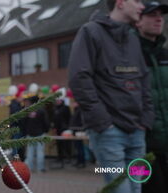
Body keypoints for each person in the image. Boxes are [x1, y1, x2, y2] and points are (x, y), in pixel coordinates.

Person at [68, 0, 154, 193]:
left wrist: (145, 121)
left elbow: (144, 80)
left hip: (137, 133)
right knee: (120, 189)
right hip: (109, 134)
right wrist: (104, 123)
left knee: (136, 188)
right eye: (138, 1)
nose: (142, 7)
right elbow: (79, 78)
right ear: (121, 3)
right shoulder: (90, 32)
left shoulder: (132, 38)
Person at [135, 2, 168, 193]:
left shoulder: (165, 55)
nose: (159, 19)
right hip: (141, 148)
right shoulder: (128, 55)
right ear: (138, 21)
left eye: (161, 15)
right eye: (152, 15)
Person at [23, 96, 49, 172]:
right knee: (40, 152)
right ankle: (40, 168)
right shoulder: (41, 110)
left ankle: (29, 168)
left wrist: (26, 130)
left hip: (30, 134)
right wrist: (45, 130)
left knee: (30, 152)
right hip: (40, 133)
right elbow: (46, 122)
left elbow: (24, 122)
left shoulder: (28, 110)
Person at [52, 99, 71, 168]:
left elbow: (69, 118)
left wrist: (68, 127)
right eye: (56, 101)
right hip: (58, 129)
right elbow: (54, 119)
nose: (57, 102)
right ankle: (60, 157)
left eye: (59, 100)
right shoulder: (55, 108)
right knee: (58, 144)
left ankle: (68, 157)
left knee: (66, 144)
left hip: (64, 129)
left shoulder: (66, 108)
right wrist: (54, 127)